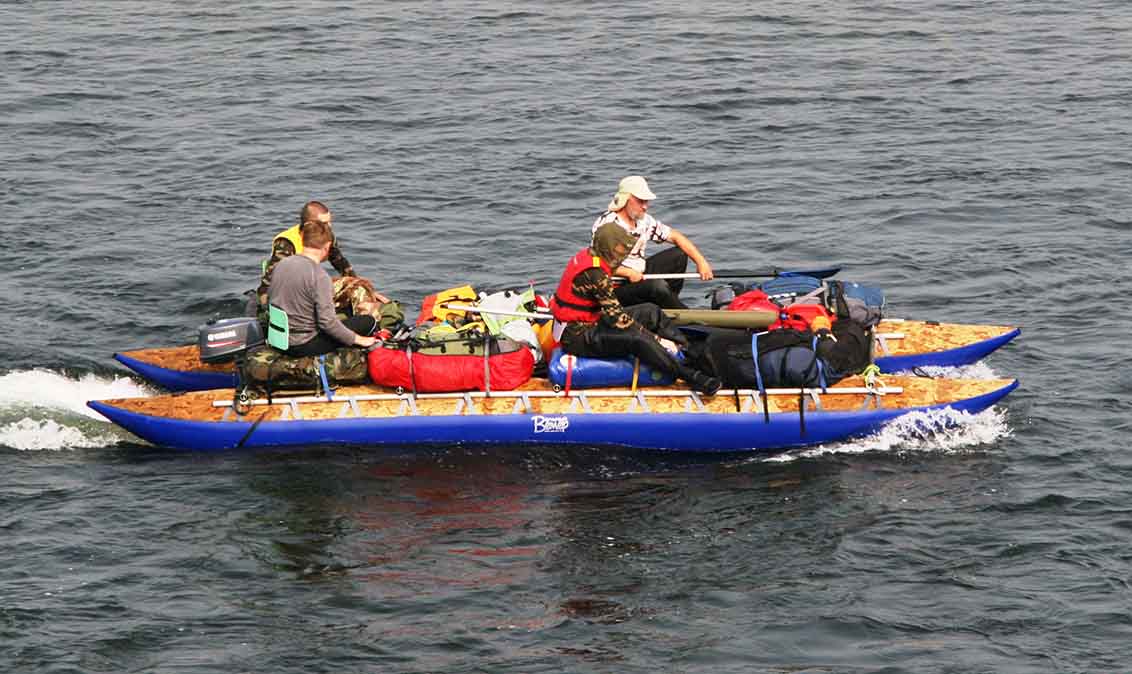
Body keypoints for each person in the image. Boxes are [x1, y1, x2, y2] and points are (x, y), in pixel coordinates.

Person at [550, 222, 722, 396]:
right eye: (618, 249)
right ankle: (689, 374)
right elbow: (618, 320)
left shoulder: (592, 254)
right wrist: (655, 339)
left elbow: (612, 281)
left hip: (591, 320)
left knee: (650, 311)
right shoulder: (595, 274)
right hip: (577, 336)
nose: (623, 253)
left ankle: (688, 350)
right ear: (607, 247)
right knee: (637, 340)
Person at [254, 201, 401, 330]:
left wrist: (361, 286)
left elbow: (340, 263)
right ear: (308, 224)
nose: (329, 227)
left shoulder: (325, 236)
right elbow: (269, 281)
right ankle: (363, 326)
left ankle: (366, 321)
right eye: (324, 223)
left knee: (357, 287)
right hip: (293, 294)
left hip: (310, 286)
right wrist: (267, 310)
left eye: (330, 222)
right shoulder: (287, 242)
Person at [591, 176, 714, 310]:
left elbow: (675, 236)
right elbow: (597, 265)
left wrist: (701, 262)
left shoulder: (644, 221)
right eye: (640, 201)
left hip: (639, 274)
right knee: (657, 286)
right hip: (615, 287)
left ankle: (668, 305)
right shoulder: (607, 226)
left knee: (679, 255)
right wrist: (628, 273)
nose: (645, 207)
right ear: (625, 199)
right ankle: (685, 315)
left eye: (646, 201)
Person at [267, 219, 378, 356]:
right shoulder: (319, 276)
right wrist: (360, 339)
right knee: (368, 322)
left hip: (278, 339)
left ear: (303, 241)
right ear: (327, 246)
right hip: (302, 345)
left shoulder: (281, 264)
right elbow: (328, 324)